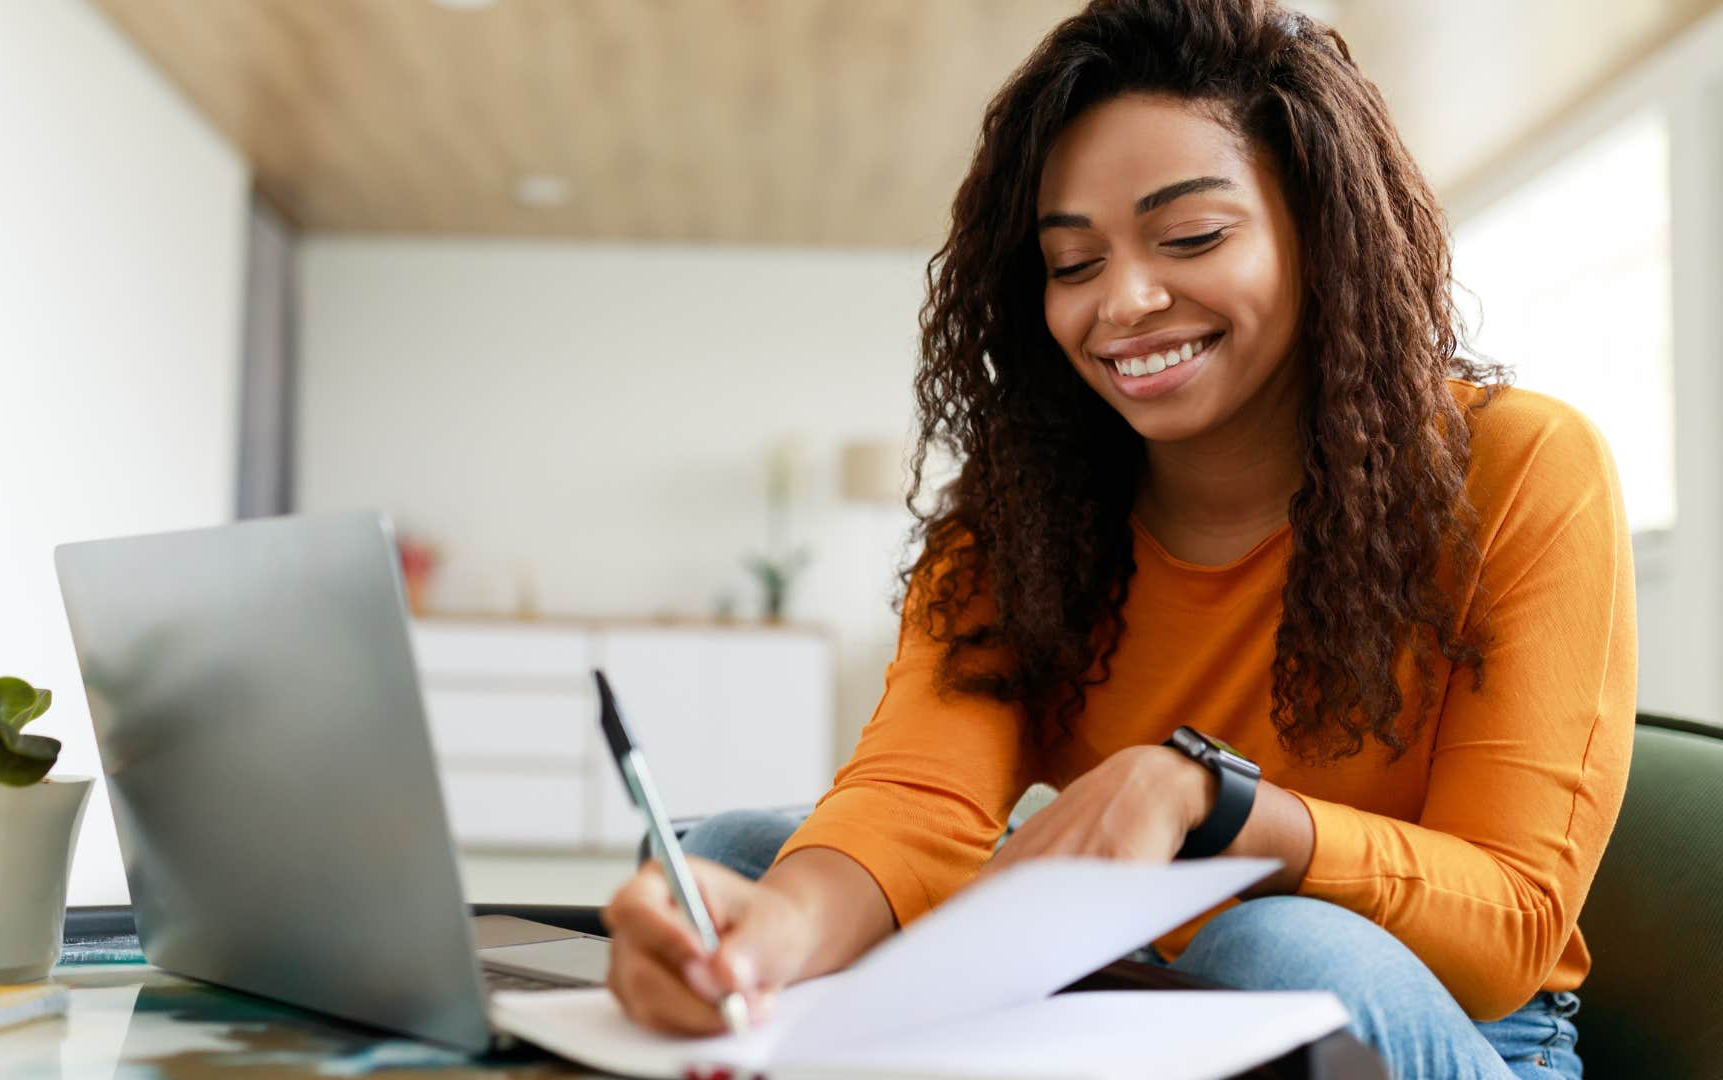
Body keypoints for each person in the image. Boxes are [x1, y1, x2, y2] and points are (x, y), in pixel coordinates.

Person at [600, 2, 1634, 1077]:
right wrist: (764, 948)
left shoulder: (1524, 467)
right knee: (737, 860)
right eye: (1072, 262)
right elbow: (917, 796)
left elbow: (1512, 928)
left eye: (1191, 237)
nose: (1124, 303)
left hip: (1448, 1024)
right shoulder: (1021, 514)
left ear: (1323, 233)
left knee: (1270, 941)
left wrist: (1212, 801)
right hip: (1136, 985)